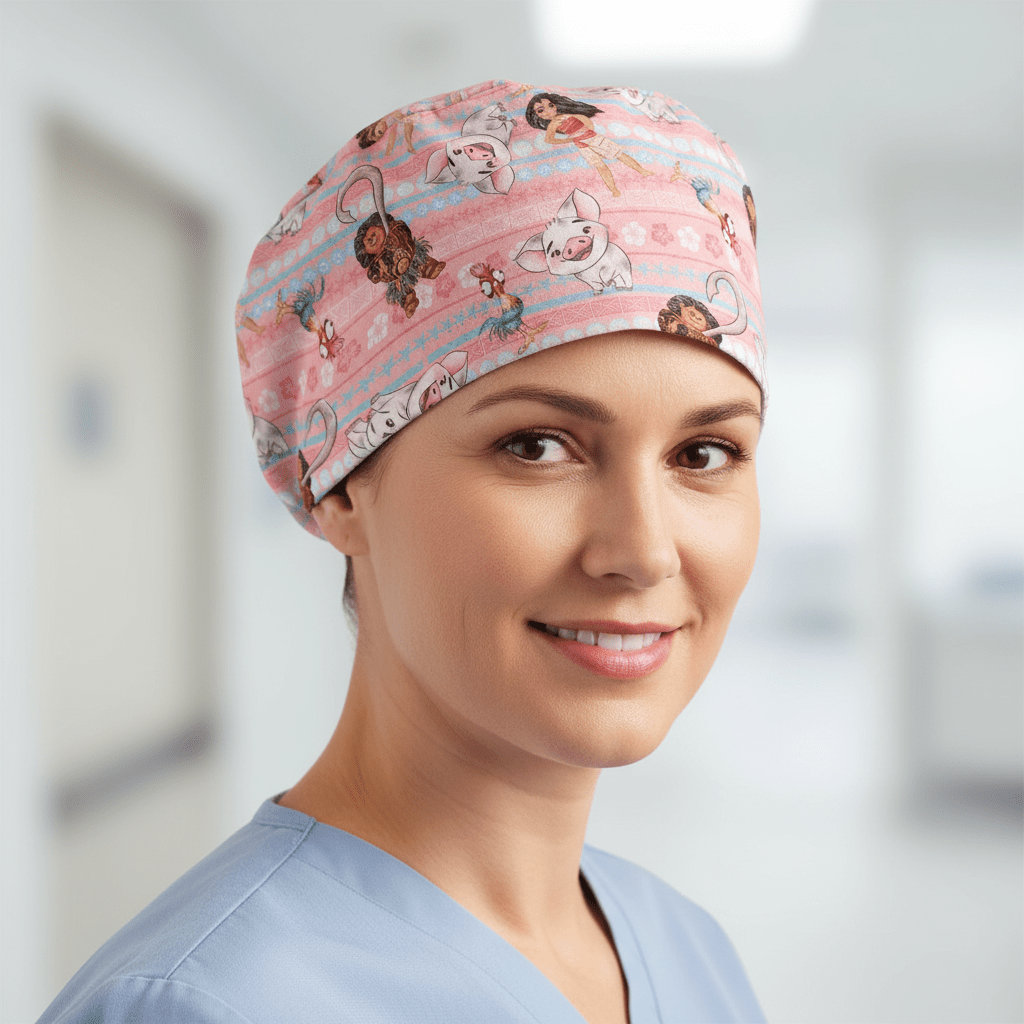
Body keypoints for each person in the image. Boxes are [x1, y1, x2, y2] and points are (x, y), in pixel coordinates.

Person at [38, 78, 767, 1024]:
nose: (642, 551)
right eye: (536, 446)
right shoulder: (207, 1005)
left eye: (703, 454)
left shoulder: (687, 949)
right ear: (339, 483)